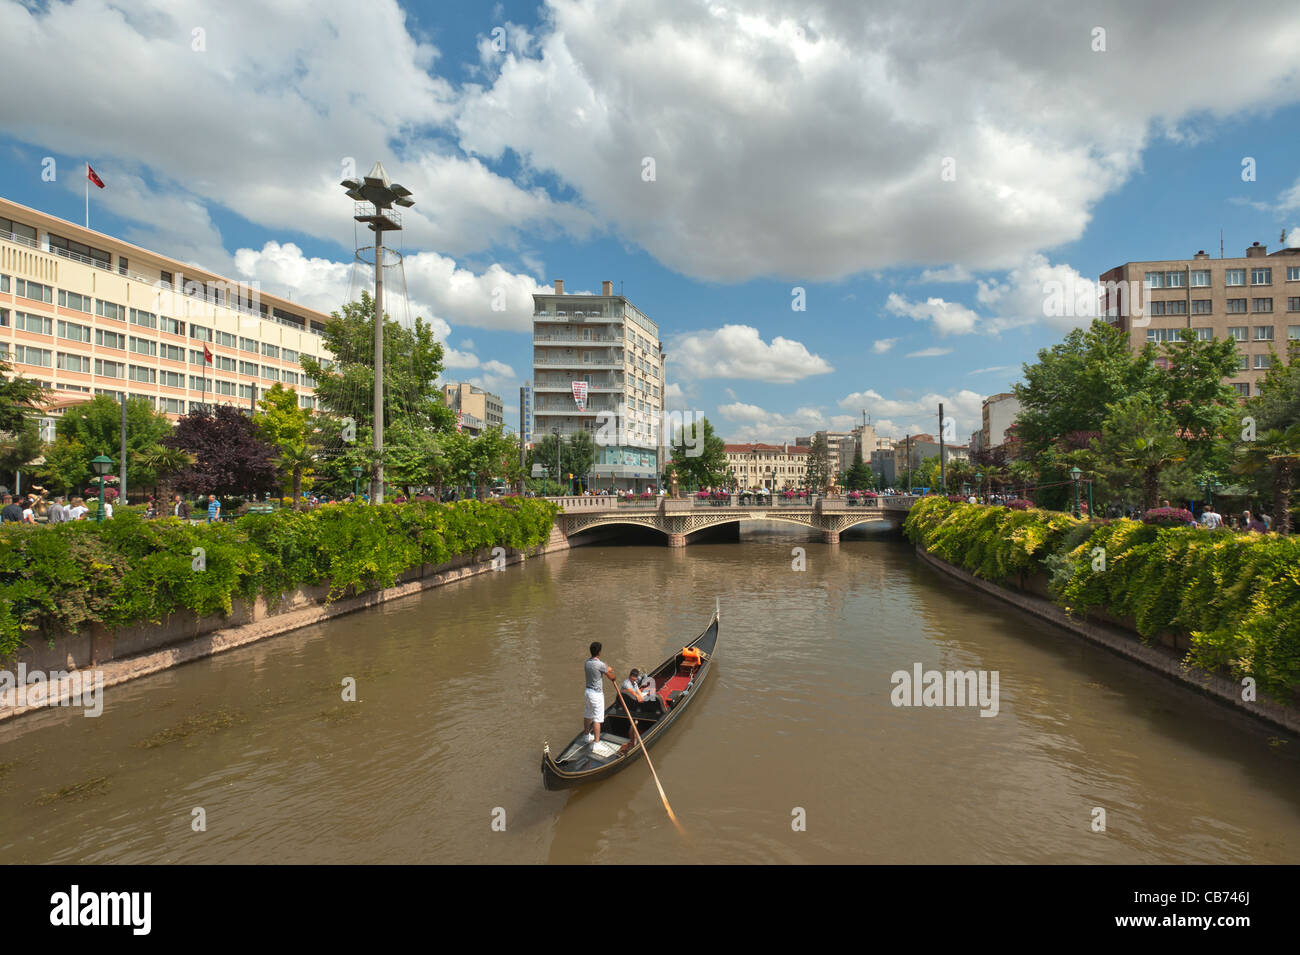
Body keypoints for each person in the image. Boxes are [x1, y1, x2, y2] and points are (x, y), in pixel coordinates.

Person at [584, 641, 617, 745]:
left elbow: (601, 670)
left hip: (588, 692)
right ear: (599, 652)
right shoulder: (600, 664)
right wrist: (609, 669)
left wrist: (606, 668)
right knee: (597, 719)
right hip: (596, 694)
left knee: (588, 715)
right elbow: (612, 677)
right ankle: (596, 744)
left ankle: (586, 736)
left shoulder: (587, 663)